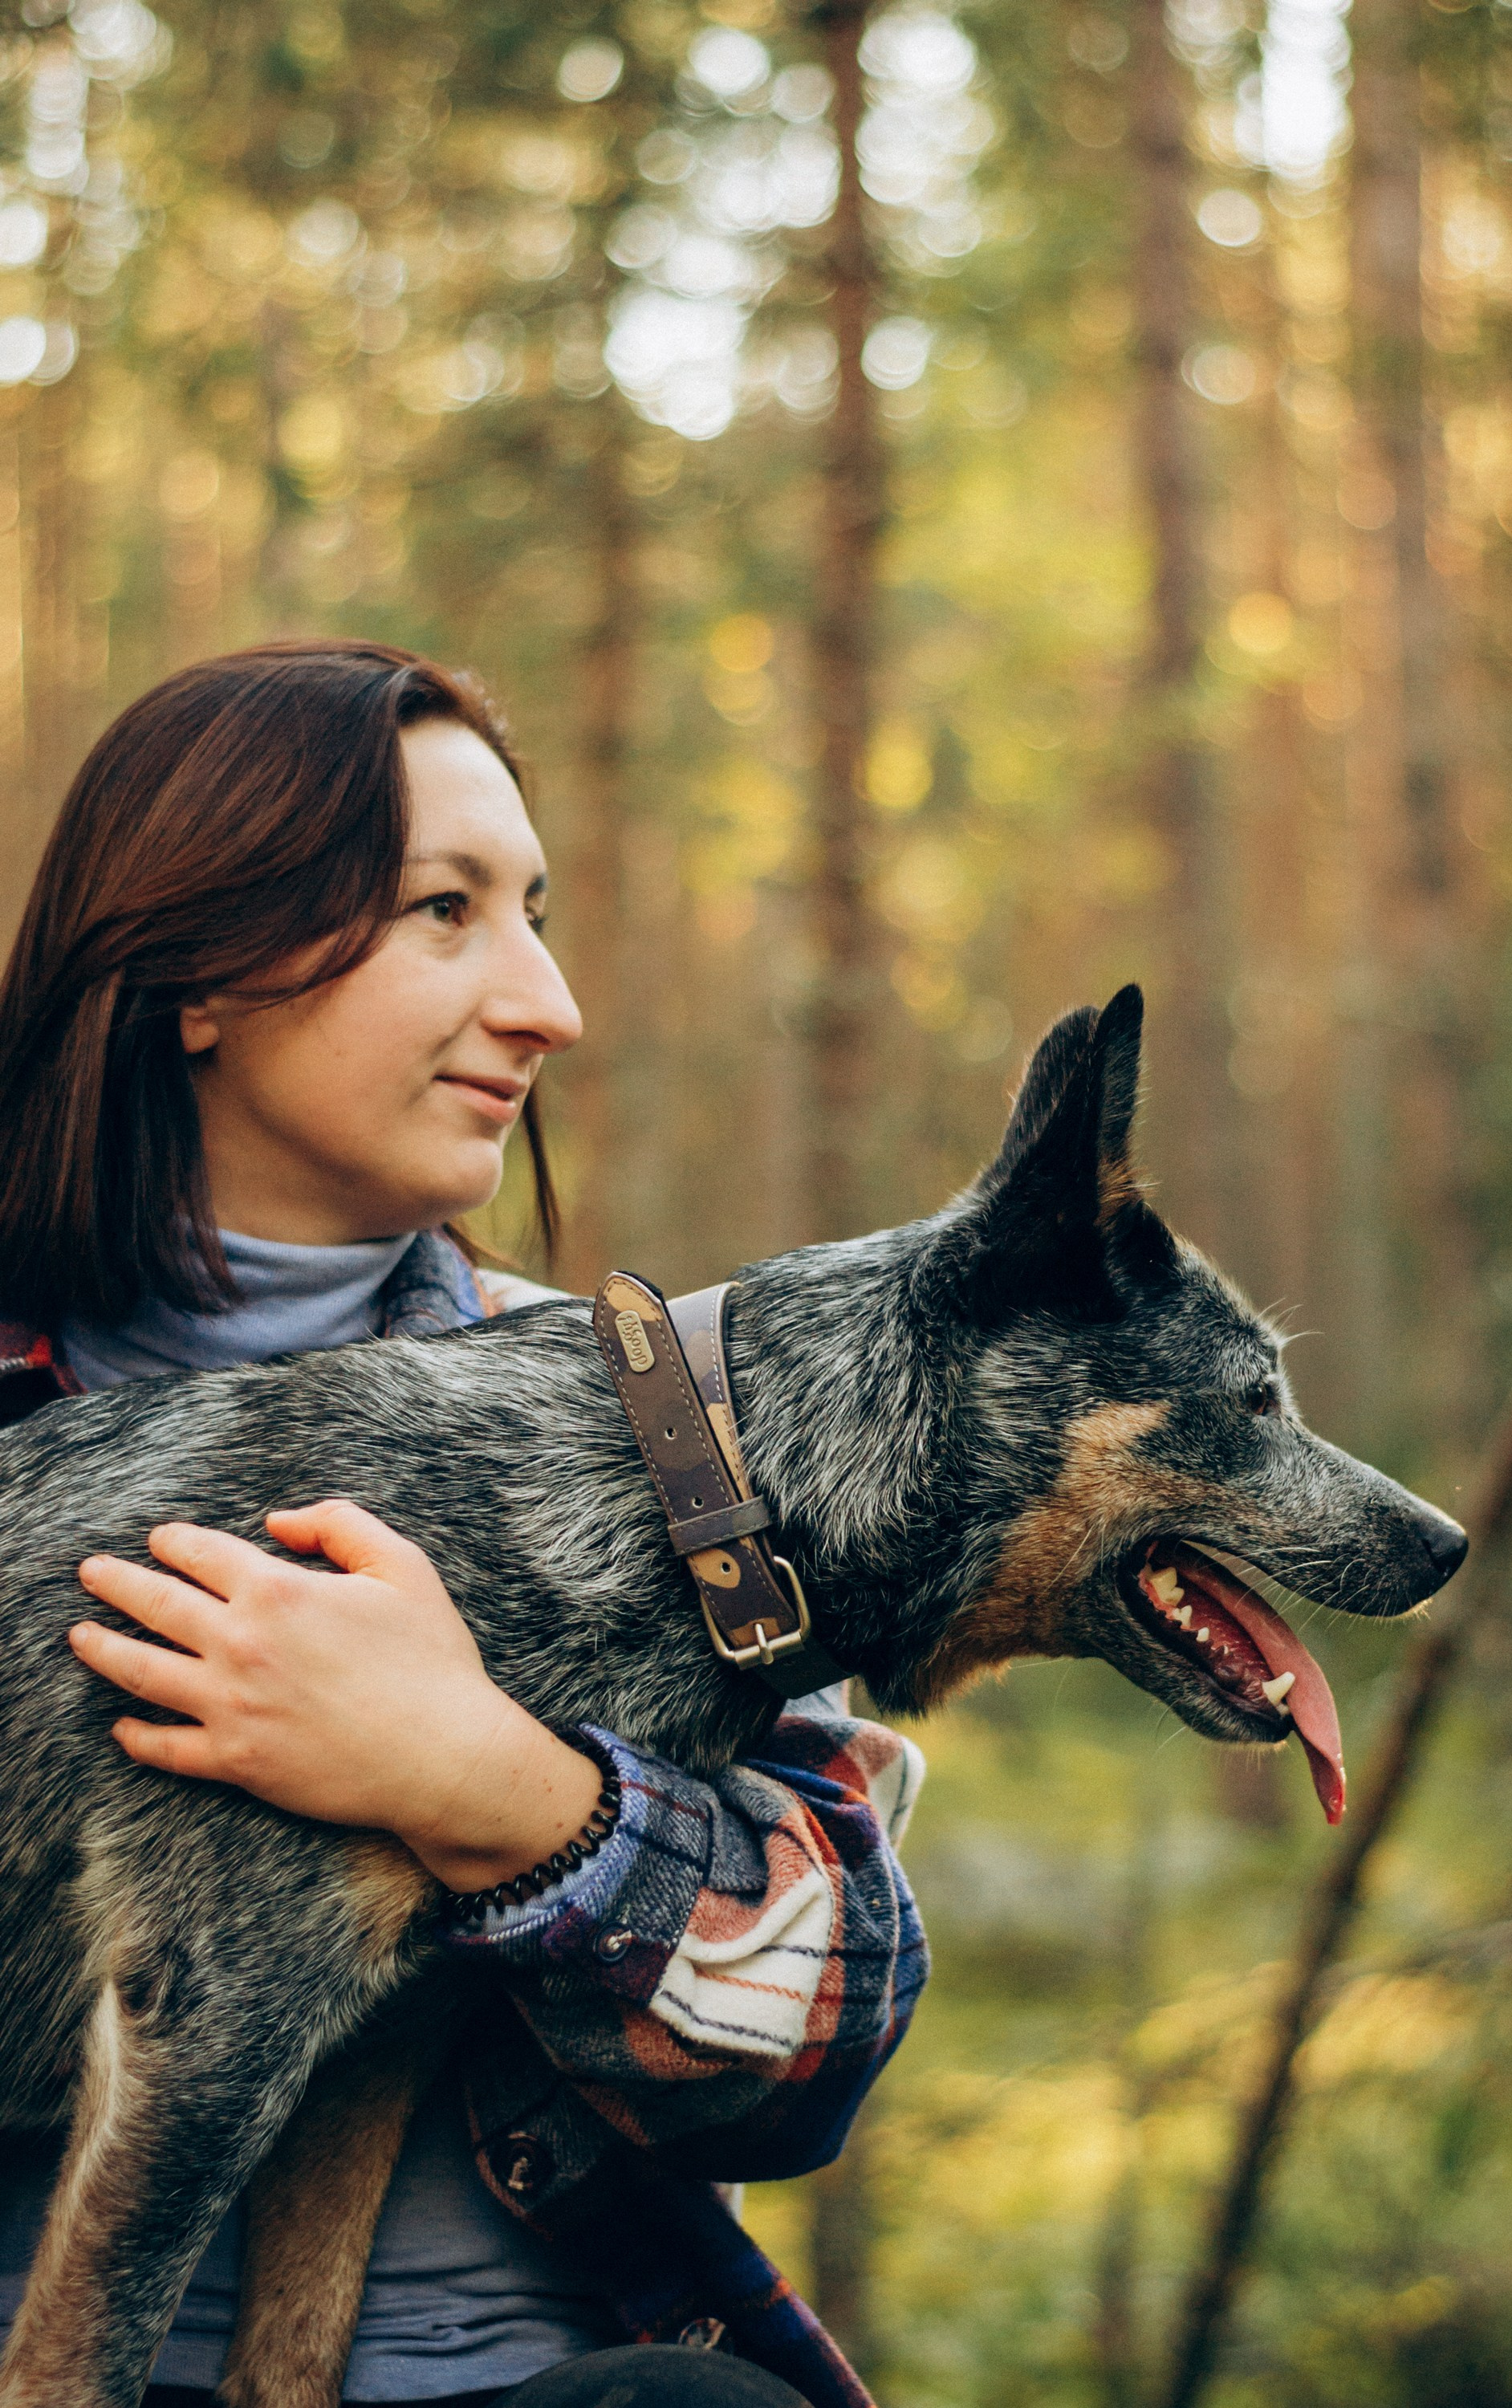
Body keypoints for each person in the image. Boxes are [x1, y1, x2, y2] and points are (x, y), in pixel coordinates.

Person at [0, 641, 928, 2408]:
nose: (548, 1005)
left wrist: (490, 1788)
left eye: (538, 915)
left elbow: (822, 2036)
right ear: (198, 971)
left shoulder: (657, 1427)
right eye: (446, 910)